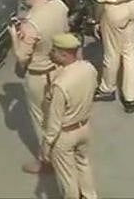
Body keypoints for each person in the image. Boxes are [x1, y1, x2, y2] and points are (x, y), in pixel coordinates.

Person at [10, 0, 69, 174]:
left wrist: (14, 36)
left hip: (40, 73)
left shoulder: (31, 25)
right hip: (60, 67)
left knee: (41, 119)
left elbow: (21, 56)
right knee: (58, 115)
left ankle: (46, 160)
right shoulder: (59, 5)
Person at [39, 33, 98, 199]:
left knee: (67, 179)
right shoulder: (89, 69)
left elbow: (54, 120)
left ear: (64, 54)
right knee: (83, 164)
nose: (51, 53)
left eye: (55, 51)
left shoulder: (61, 84)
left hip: (65, 133)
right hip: (84, 127)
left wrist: (46, 145)